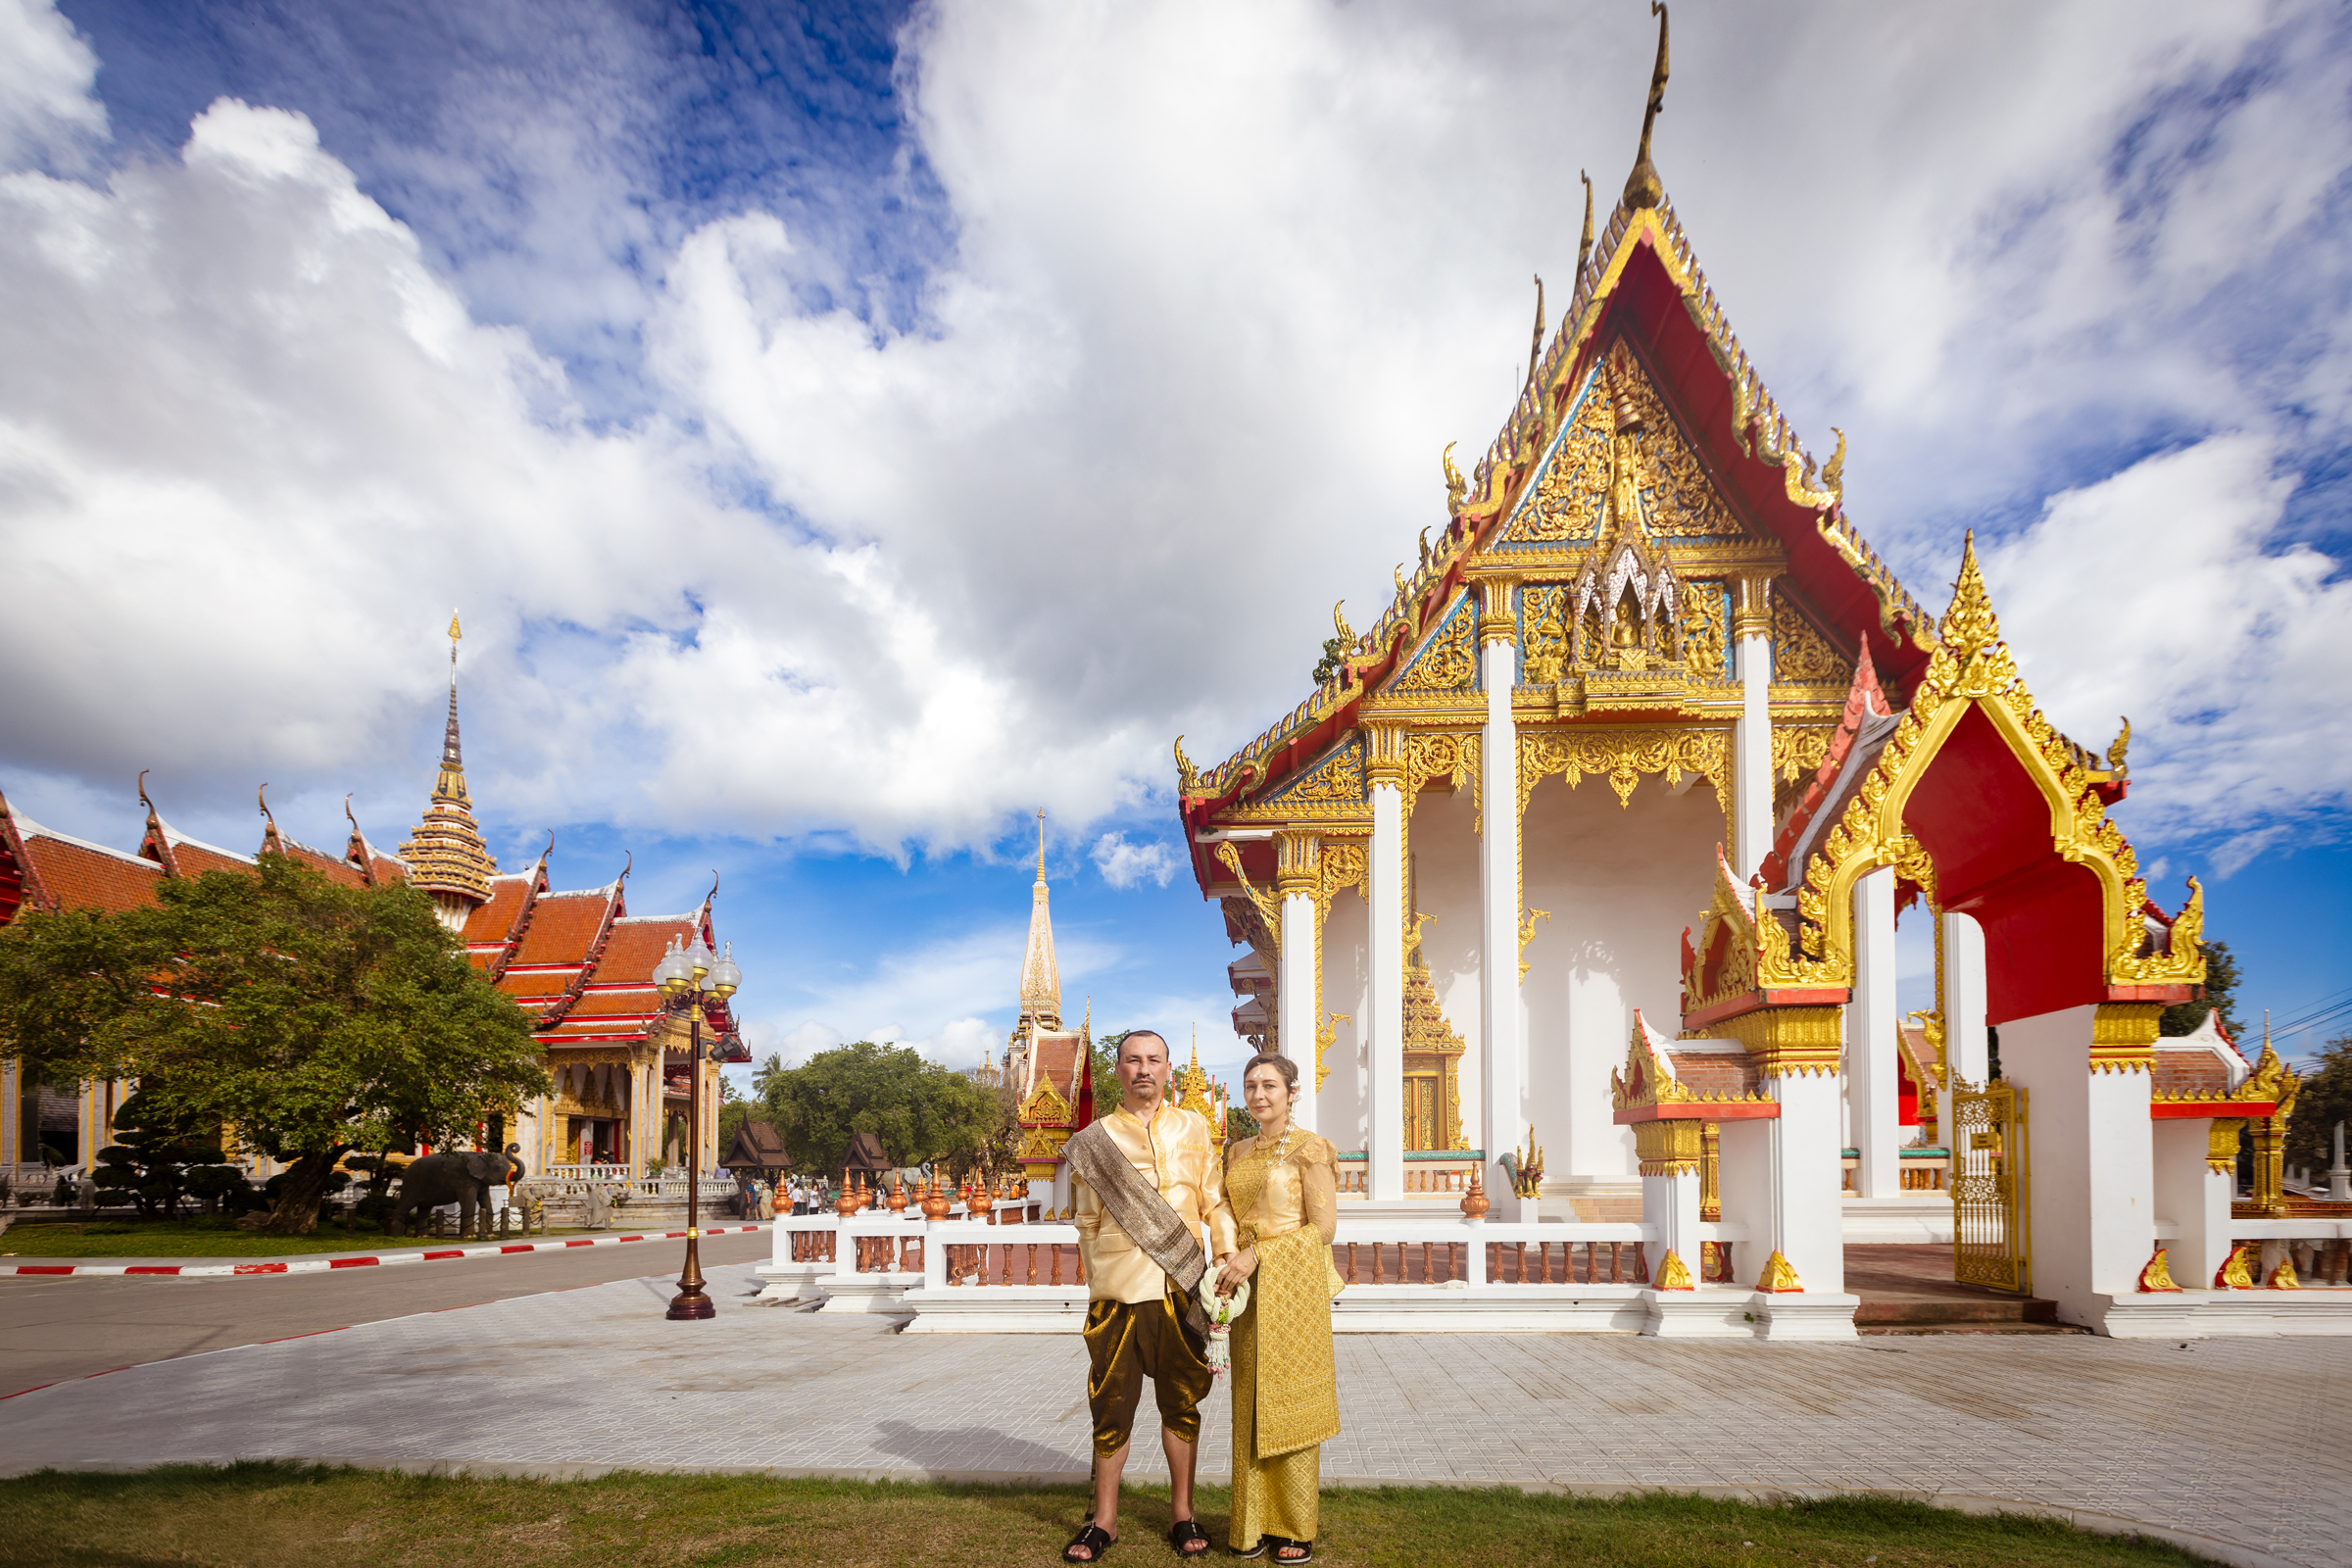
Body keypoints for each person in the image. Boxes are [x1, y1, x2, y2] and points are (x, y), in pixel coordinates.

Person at [1060, 1030, 1232, 1563]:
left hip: (1183, 1289)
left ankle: (1182, 1513)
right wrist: (1100, 1280)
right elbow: (1086, 1221)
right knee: (1112, 1407)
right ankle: (1104, 1520)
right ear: (1118, 1071)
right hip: (1118, 1296)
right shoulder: (1095, 1139)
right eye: (1133, 1060)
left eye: (1153, 1060)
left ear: (1167, 1069)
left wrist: (1224, 1255)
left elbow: (1214, 1200)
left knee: (1182, 1404)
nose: (1143, 1069)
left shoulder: (1195, 1127)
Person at [1212, 1053, 1341, 1565]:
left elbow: (1323, 1229)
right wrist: (1226, 1255)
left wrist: (1259, 1253)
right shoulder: (1237, 1151)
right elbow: (1222, 1208)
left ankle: (1295, 1526)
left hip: (1293, 1293)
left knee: (1291, 1403)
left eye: (1269, 1085)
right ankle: (1251, 1524)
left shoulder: (1311, 1149)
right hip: (1246, 1292)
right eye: (1250, 1086)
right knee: (1250, 1404)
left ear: (1292, 1093)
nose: (1258, 1095)